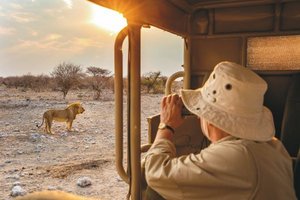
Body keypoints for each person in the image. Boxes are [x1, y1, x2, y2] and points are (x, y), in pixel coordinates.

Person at [144, 61, 297, 200]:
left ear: (210, 119)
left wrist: (166, 126)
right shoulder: (275, 147)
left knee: (154, 193)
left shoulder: (237, 155)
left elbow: (155, 173)